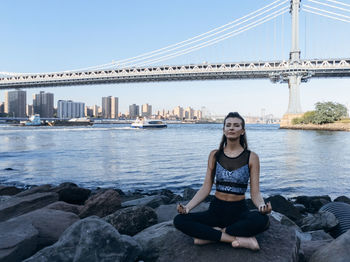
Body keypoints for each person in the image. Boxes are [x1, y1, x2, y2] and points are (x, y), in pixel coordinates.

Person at [173, 112, 272, 251]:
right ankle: (237, 239)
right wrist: (188, 207)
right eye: (228, 125)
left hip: (239, 212)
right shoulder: (215, 155)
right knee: (179, 220)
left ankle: (210, 235)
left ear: (242, 131)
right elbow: (206, 188)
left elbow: (255, 193)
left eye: (236, 125)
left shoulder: (252, 157)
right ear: (224, 129)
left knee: (262, 220)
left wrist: (261, 206)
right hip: (216, 211)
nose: (232, 128)